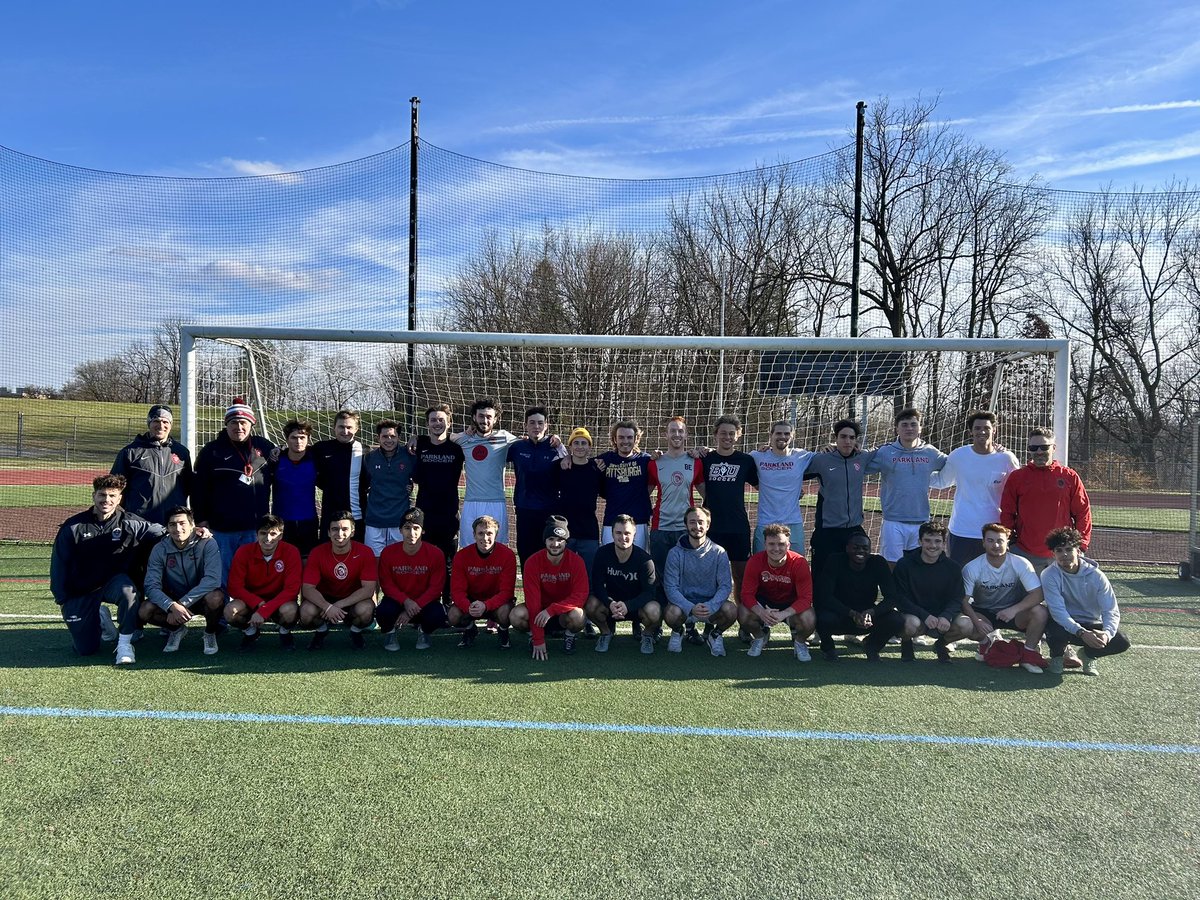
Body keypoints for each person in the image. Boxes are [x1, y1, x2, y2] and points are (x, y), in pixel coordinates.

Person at [49, 474, 165, 659]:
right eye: (102, 495)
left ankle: (124, 645)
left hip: (114, 583)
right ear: (94, 496)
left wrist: (194, 533)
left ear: (120, 498)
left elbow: (164, 532)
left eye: (112, 496)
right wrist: (61, 597)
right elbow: (59, 563)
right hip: (82, 587)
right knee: (85, 649)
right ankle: (100, 617)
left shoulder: (131, 522)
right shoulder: (73, 526)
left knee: (129, 592)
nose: (107, 500)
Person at [192, 398, 276, 586]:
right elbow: (198, 489)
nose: (238, 427)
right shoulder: (211, 451)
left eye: (243, 422)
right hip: (221, 530)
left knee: (253, 579)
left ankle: (252, 615)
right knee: (221, 580)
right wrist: (201, 520)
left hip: (255, 529)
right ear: (226, 425)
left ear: (251, 424)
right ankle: (223, 616)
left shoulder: (264, 447)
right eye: (233, 422)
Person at [130, 505, 224, 662]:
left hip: (199, 598)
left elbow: (212, 580)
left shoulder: (207, 543)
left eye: (182, 523)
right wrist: (171, 606)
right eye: (172, 524)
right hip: (173, 599)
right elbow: (151, 586)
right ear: (167, 527)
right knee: (145, 610)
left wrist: (182, 603)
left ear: (193, 525)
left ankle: (209, 633)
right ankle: (176, 629)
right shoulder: (159, 549)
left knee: (216, 598)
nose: (178, 528)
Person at [931, 410, 1019, 566]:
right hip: (962, 530)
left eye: (986, 428)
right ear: (970, 431)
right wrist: (913, 473)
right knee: (960, 578)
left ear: (994, 430)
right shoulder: (958, 456)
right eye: (977, 428)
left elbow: (1018, 490)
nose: (982, 431)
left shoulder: (1006, 458)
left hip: (995, 531)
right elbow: (941, 481)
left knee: (993, 579)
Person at [1040, 527, 1131, 677]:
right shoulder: (1049, 575)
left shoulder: (1096, 576)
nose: (1064, 555)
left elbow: (1111, 610)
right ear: (1053, 553)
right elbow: (1057, 611)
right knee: (1054, 629)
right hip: (1065, 624)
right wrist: (1081, 632)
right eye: (1059, 550)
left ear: (1078, 551)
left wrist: (1107, 634)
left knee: (1122, 641)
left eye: (1069, 549)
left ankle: (1089, 655)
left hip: (1092, 623)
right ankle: (1057, 656)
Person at [960, 523, 1049, 674]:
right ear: (983, 543)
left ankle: (1028, 654)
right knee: (963, 624)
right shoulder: (972, 567)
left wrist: (1014, 610)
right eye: (990, 540)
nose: (995, 545)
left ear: (1007, 541)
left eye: (1000, 540)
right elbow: (963, 601)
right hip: (984, 612)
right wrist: (977, 621)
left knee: (1040, 612)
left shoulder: (1020, 563)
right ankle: (984, 643)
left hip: (1013, 613)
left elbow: (1038, 594)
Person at [1000, 426, 1092, 573]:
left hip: (1062, 553)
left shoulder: (1069, 476)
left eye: (1044, 447)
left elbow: (1083, 513)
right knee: (1028, 596)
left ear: (1053, 448)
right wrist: (1011, 541)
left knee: (1061, 596)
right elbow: (1007, 512)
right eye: (1034, 447)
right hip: (1025, 553)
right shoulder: (1017, 477)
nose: (1039, 452)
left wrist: (1080, 545)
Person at [865, 408, 948, 566]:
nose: (909, 428)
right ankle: (892, 592)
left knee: (918, 565)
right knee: (891, 564)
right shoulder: (885, 452)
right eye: (904, 425)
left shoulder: (930, 453)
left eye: (913, 424)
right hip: (893, 521)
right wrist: (838, 448)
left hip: (921, 521)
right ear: (897, 429)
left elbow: (955, 464)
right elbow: (860, 462)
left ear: (920, 428)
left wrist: (993, 448)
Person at [694, 414, 759, 610]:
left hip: (738, 527)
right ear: (715, 435)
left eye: (732, 433)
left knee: (740, 575)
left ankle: (742, 618)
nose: (727, 437)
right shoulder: (706, 459)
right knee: (710, 576)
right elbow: (696, 479)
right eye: (723, 433)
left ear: (738, 435)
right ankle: (711, 617)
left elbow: (763, 485)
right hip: (712, 527)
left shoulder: (746, 460)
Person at [813, 533, 904, 661]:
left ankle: (872, 645)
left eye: (865, 548)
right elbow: (825, 596)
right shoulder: (835, 561)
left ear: (870, 550)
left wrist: (872, 612)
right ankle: (828, 648)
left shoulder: (878, 563)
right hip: (840, 615)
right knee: (820, 617)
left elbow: (892, 598)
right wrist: (852, 613)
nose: (860, 551)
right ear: (847, 548)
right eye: (856, 547)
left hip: (867, 618)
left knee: (897, 619)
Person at [891, 522, 973, 662]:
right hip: (916, 616)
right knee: (909, 624)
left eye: (937, 541)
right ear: (919, 541)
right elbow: (900, 598)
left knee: (966, 625)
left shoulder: (952, 567)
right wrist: (925, 615)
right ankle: (906, 643)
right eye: (927, 540)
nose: (933, 546)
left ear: (943, 543)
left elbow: (957, 597)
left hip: (942, 618)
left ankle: (941, 645)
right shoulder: (904, 564)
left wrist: (946, 616)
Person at [510, 516, 589, 660]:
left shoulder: (576, 562)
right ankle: (532, 636)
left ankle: (569, 636)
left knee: (579, 616)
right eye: (551, 539)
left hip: (564, 613)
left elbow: (580, 596)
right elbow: (533, 603)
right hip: (540, 613)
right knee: (516, 615)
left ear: (566, 542)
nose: (555, 544)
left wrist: (552, 610)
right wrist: (538, 639)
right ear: (545, 540)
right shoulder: (532, 562)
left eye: (560, 540)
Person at [662, 506, 736, 657]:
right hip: (685, 606)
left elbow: (725, 586)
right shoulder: (675, 553)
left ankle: (714, 635)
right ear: (686, 525)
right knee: (670, 613)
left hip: (710, 605)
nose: (697, 526)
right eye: (692, 522)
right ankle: (678, 631)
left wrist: (711, 605)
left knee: (731, 610)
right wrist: (689, 607)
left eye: (701, 522)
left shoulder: (719, 552)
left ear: (708, 525)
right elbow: (670, 588)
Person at [299, 511, 378, 650]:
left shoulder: (365, 552)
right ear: (328, 532)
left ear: (352, 532)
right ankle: (322, 631)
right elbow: (307, 588)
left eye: (345, 529)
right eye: (335, 529)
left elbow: (368, 589)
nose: (339, 534)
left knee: (366, 610)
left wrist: (339, 605)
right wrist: (327, 606)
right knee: (306, 612)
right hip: (325, 599)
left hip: (352, 599)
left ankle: (355, 632)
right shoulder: (317, 552)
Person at [224, 514, 303, 651]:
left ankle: (285, 633)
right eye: (263, 533)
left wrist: (266, 609)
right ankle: (251, 632)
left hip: (280, 602)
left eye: (273, 534)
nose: (268, 538)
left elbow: (292, 589)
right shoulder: (243, 552)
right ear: (256, 534)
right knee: (230, 611)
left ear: (281, 535)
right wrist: (259, 604)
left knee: (290, 611)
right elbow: (234, 587)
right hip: (252, 602)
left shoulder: (291, 552)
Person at [808, 419, 875, 579]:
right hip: (827, 530)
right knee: (822, 574)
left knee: (855, 573)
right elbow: (793, 470)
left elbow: (886, 450)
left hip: (853, 528)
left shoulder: (863, 458)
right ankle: (819, 604)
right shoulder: (821, 460)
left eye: (852, 438)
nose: (847, 441)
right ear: (835, 438)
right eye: (843, 437)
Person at [739, 523, 816, 661]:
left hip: (790, 605)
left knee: (809, 618)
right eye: (771, 544)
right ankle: (759, 637)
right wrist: (762, 613)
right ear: (765, 545)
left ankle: (799, 642)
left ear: (788, 545)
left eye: (781, 544)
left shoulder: (799, 562)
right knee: (743, 613)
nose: (776, 548)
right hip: (765, 604)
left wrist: (784, 614)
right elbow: (746, 594)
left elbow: (806, 598)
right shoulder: (755, 561)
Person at [585, 514, 660, 654]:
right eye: (618, 533)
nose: (623, 537)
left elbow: (649, 593)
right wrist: (610, 603)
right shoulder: (602, 554)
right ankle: (606, 633)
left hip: (636, 607)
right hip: (611, 607)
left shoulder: (645, 560)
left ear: (634, 534)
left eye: (627, 533)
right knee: (590, 604)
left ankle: (647, 635)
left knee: (654, 610)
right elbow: (597, 585)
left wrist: (628, 606)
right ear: (612, 534)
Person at [376, 508, 447, 651]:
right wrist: (406, 602)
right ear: (400, 530)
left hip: (423, 602)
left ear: (423, 531)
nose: (412, 533)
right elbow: (387, 585)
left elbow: (435, 588)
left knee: (438, 614)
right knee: (383, 611)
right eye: (407, 528)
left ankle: (424, 632)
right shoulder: (388, 553)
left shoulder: (436, 554)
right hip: (398, 601)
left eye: (416, 528)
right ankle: (390, 633)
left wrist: (413, 607)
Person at [413, 403, 464, 601]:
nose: (437, 423)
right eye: (433, 420)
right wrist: (415, 438)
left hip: (449, 513)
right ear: (427, 424)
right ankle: (426, 603)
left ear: (449, 423)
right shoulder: (420, 446)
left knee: (448, 561)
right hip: (424, 512)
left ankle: (447, 602)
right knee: (425, 560)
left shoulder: (457, 448)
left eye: (441, 419)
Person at [111, 404, 193, 525]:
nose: (161, 425)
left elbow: (189, 486)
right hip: (139, 523)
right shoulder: (130, 452)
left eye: (165, 421)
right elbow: (115, 487)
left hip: (174, 524)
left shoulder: (181, 452)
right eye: (156, 421)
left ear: (171, 424)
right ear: (149, 423)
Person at [454, 398, 521, 547]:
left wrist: (555, 440)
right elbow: (441, 438)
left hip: (496, 502)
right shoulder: (464, 439)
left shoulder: (504, 437)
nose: (485, 420)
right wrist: (415, 438)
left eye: (489, 417)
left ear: (495, 419)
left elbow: (527, 444)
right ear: (474, 417)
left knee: (497, 548)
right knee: (468, 548)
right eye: (481, 416)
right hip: (471, 502)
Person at [648, 416, 697, 607]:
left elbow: (707, 494)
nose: (676, 434)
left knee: (686, 577)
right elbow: (643, 493)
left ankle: (688, 623)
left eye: (680, 431)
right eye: (673, 430)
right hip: (661, 527)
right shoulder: (654, 462)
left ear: (686, 434)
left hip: (686, 529)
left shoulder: (696, 461)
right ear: (666, 434)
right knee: (659, 577)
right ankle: (657, 623)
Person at [447, 515, 517, 649]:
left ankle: (503, 631)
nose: (485, 538)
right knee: (453, 615)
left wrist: (486, 605)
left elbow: (507, 592)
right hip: (472, 602)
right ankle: (470, 629)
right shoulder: (461, 556)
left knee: (506, 613)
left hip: (497, 602)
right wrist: (469, 606)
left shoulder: (507, 555)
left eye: (489, 533)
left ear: (496, 534)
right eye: (481, 533)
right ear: (474, 535)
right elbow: (457, 591)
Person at [510, 406, 568, 566]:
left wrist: (562, 446)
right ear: (525, 425)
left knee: (549, 553)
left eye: (540, 423)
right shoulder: (516, 447)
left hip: (549, 510)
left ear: (546, 425)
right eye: (532, 423)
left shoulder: (556, 448)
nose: (536, 426)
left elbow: (571, 461)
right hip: (524, 509)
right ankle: (530, 590)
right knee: (525, 553)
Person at [749, 421, 814, 555]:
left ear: (792, 436)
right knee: (760, 566)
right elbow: (734, 459)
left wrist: (833, 446)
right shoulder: (757, 456)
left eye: (786, 433)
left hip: (793, 522)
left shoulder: (801, 456)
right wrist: (708, 451)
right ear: (771, 435)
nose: (782, 436)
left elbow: (828, 458)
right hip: (765, 522)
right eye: (778, 433)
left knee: (797, 564)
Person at [554, 426, 604, 589]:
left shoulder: (596, 468)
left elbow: (606, 491)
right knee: (563, 573)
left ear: (590, 446)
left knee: (589, 573)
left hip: (588, 530)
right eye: (576, 443)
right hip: (566, 530)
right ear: (570, 447)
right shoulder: (561, 467)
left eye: (584, 443)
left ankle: (588, 610)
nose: (580, 446)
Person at [360, 418, 418, 555]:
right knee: (374, 564)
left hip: (399, 522)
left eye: (393, 436)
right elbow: (364, 485)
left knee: (398, 564)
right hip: (374, 522)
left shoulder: (409, 456)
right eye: (385, 436)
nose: (389, 440)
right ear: (378, 437)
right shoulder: (369, 458)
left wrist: (416, 437)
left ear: (399, 437)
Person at [596, 419, 653, 548]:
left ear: (636, 439)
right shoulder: (604, 459)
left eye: (629, 437)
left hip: (638, 522)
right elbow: (581, 462)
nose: (625, 441)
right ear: (614, 439)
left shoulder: (646, 460)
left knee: (638, 562)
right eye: (621, 437)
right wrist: (566, 456)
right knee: (610, 561)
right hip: (611, 521)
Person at [314, 409, 366, 540]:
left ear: (356, 429)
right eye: (341, 427)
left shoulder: (365, 451)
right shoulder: (321, 448)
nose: (345, 431)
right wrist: (278, 450)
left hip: (356, 515)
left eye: (349, 427)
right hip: (329, 515)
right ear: (334, 428)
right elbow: (297, 452)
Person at [273, 419, 320, 558]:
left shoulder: (316, 459)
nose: (298, 441)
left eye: (302, 437)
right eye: (294, 437)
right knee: (283, 562)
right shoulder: (276, 459)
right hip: (281, 522)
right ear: (286, 439)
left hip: (308, 520)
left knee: (307, 560)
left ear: (308, 439)